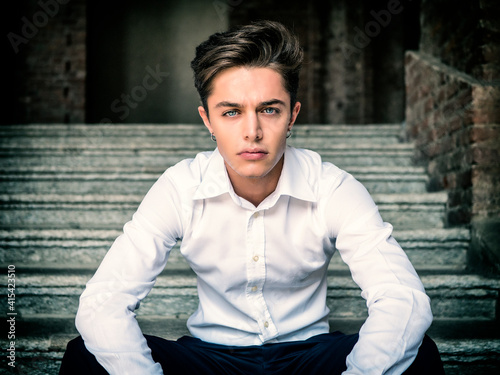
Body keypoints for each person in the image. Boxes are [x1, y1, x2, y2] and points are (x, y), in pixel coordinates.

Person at [60, 20, 444, 374]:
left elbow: (401, 298)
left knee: (417, 355)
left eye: (269, 110)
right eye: (231, 113)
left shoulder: (333, 188)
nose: (252, 131)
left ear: (292, 116)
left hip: (308, 355)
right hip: (211, 357)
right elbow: (103, 303)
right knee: (86, 356)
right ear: (207, 120)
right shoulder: (181, 187)